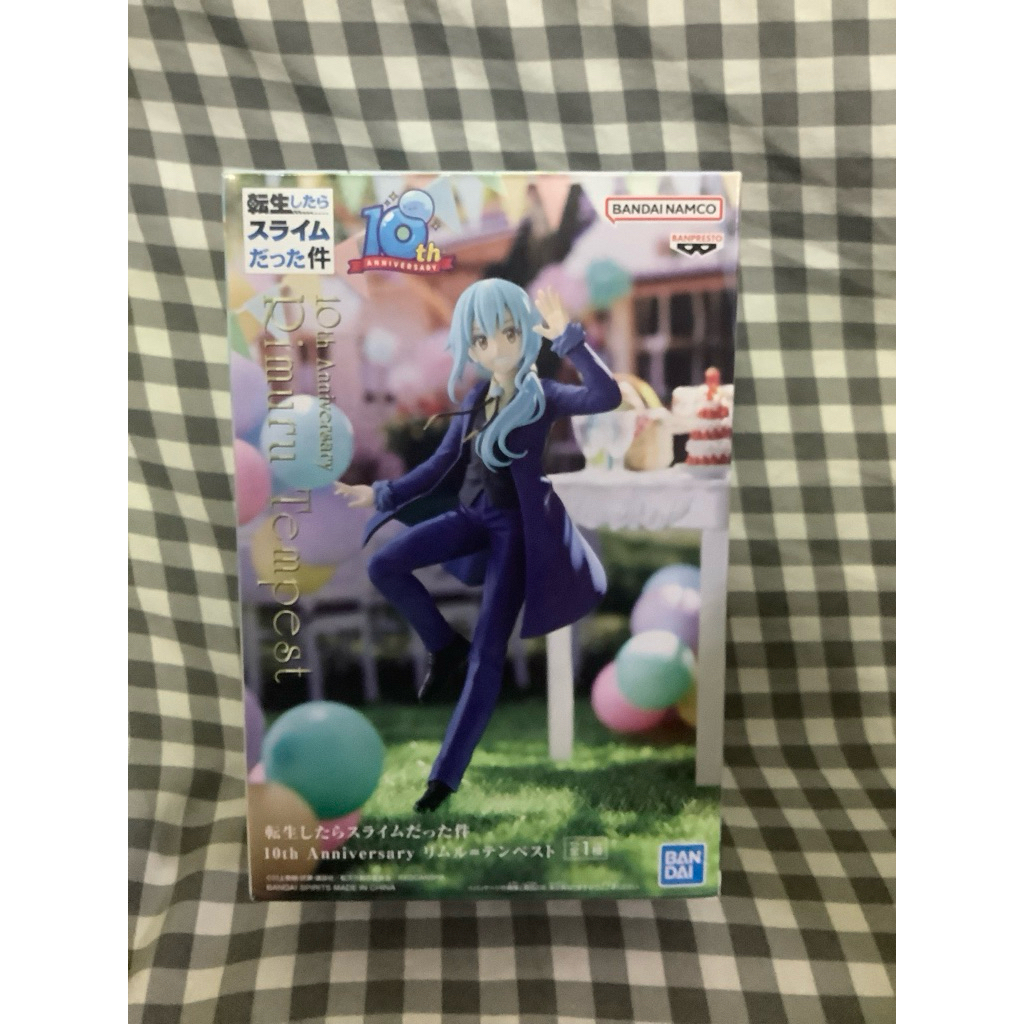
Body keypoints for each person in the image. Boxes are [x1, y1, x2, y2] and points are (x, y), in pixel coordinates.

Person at [336, 278, 621, 811]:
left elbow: (606, 396)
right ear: (471, 347)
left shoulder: (544, 395)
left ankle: (443, 779)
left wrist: (571, 341)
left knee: (488, 654)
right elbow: (442, 463)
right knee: (386, 564)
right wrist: (382, 493)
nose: (497, 348)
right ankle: (444, 646)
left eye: (509, 333)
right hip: (472, 516)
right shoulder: (476, 397)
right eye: (483, 339)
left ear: (526, 333)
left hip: (516, 532)